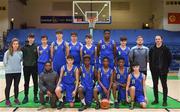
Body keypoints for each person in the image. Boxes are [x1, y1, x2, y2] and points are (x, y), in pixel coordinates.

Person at [149, 35, 172, 106]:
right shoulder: (152, 49)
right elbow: (150, 59)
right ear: (155, 40)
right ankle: (156, 100)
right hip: (154, 71)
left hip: (163, 71)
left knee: (164, 85)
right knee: (155, 85)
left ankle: (164, 100)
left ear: (162, 40)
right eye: (156, 39)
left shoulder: (166, 49)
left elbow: (169, 59)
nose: (157, 40)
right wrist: (151, 68)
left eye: (159, 39)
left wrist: (166, 67)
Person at [3, 38, 22, 106]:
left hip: (18, 72)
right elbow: (5, 63)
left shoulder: (20, 53)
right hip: (9, 73)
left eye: (17, 44)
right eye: (14, 44)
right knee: (8, 86)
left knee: (16, 86)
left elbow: (21, 61)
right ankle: (7, 100)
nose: (15, 45)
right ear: (12, 44)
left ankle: (16, 99)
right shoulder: (7, 53)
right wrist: (10, 68)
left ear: (18, 45)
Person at [22, 33, 39, 104]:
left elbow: (38, 57)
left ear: (34, 39)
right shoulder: (23, 47)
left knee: (35, 82)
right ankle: (26, 96)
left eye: (32, 37)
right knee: (26, 83)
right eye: (30, 37)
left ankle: (35, 96)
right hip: (26, 67)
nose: (31, 39)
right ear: (28, 38)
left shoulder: (36, 47)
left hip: (34, 67)